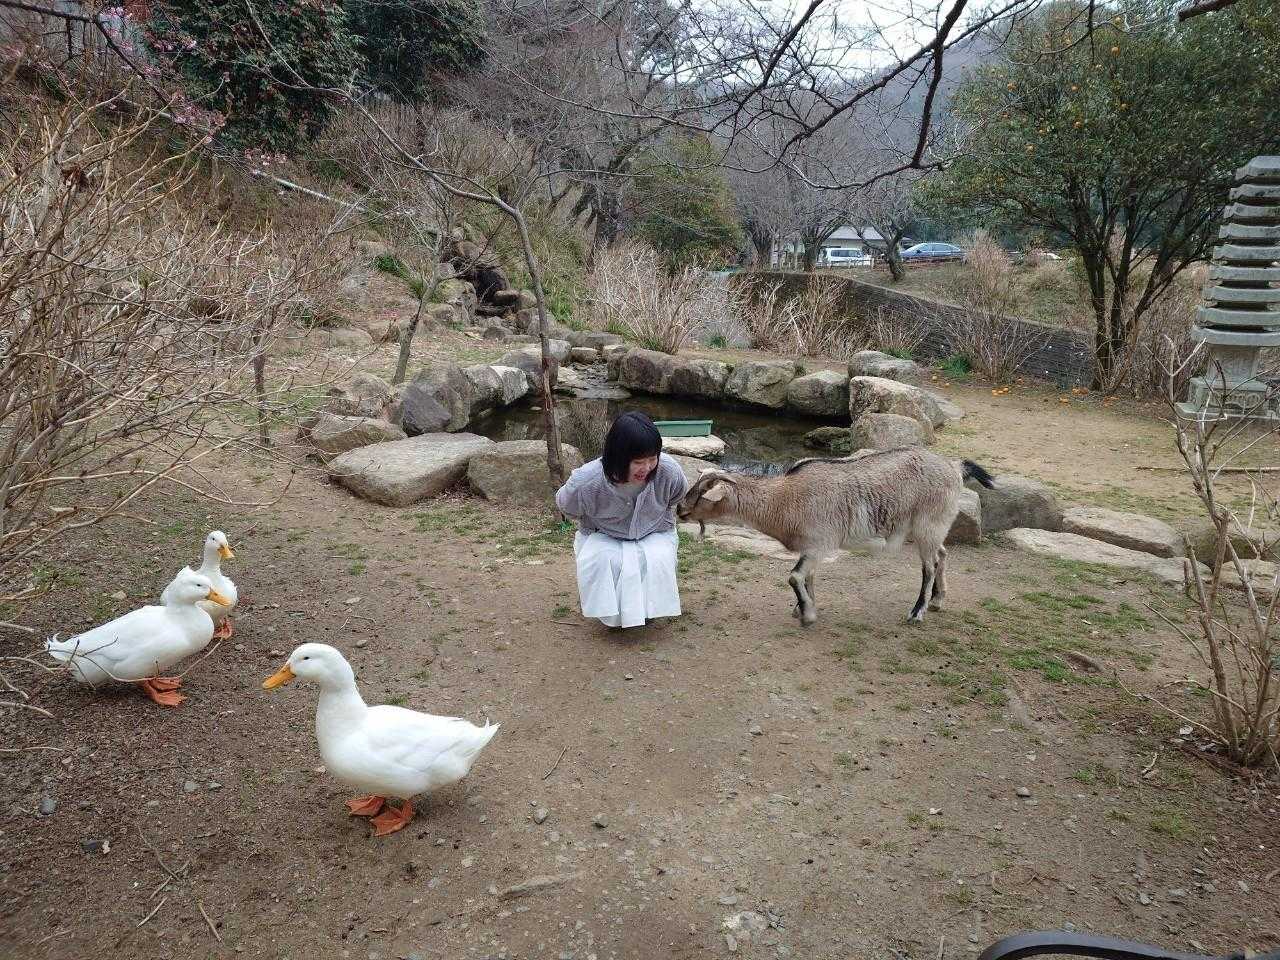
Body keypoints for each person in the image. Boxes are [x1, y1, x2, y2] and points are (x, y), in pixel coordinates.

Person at [554, 412, 689, 629]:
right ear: (618, 457)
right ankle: (612, 616)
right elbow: (566, 505)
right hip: (605, 534)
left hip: (653, 531)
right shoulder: (586, 481)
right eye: (638, 462)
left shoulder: (669, 471)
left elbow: (677, 495)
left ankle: (648, 611)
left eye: (652, 459)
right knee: (608, 559)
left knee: (655, 557)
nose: (647, 468)